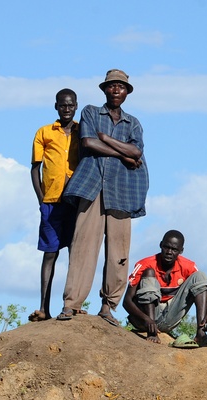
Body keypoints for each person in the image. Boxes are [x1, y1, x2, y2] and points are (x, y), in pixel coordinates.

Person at [58, 69, 149, 326]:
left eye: (121, 87)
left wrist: (107, 139)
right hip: (92, 186)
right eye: (112, 86)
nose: (116, 90)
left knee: (118, 251)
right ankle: (71, 303)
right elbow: (88, 142)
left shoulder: (133, 123)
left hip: (123, 190)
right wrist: (123, 155)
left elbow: (136, 150)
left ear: (127, 92)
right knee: (83, 246)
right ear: (105, 90)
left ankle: (109, 307)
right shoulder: (90, 112)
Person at [29, 88, 80, 323]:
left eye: (70, 105)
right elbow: (35, 168)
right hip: (51, 201)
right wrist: (41, 199)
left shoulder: (82, 131)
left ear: (76, 106)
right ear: (56, 107)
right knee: (50, 253)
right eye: (63, 105)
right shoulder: (44, 132)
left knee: (75, 253)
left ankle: (71, 306)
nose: (67, 109)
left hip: (75, 201)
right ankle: (43, 308)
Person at [122, 230, 207, 346]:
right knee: (149, 273)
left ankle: (200, 333)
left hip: (169, 317)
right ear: (160, 245)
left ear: (181, 251)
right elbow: (126, 301)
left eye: (174, 250)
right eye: (166, 247)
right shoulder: (144, 264)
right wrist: (147, 320)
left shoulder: (188, 266)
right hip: (144, 319)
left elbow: (200, 290)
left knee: (200, 276)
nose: (169, 252)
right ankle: (152, 333)